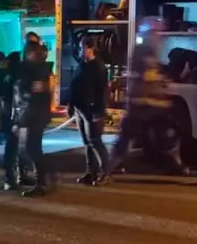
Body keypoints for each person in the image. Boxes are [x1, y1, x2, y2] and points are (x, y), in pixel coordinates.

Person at [107, 17, 188, 176]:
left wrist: (163, 87)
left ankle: (174, 166)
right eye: (156, 33)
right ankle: (108, 168)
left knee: (166, 136)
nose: (159, 37)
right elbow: (148, 76)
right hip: (141, 104)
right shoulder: (142, 51)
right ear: (148, 34)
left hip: (153, 105)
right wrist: (161, 86)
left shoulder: (150, 51)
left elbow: (153, 76)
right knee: (126, 136)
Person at [69, 36, 110, 185]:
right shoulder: (82, 65)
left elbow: (103, 91)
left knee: (95, 141)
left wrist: (99, 111)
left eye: (83, 48)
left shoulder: (98, 67)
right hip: (81, 109)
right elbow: (75, 86)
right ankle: (90, 172)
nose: (81, 51)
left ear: (90, 49)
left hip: (91, 109)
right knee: (87, 142)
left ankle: (106, 173)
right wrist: (71, 105)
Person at [14, 41, 52, 197]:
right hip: (34, 114)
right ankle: (40, 181)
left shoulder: (35, 70)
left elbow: (33, 94)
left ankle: (40, 182)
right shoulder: (35, 68)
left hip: (34, 114)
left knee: (32, 148)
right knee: (32, 148)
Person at [0, 51, 22, 190]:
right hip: (15, 113)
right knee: (14, 145)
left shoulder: (2, 72)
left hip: (7, 111)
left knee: (12, 145)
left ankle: (11, 176)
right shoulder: (17, 74)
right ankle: (11, 177)